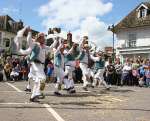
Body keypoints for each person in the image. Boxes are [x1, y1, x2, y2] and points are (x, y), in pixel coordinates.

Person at [15, 26, 57, 102]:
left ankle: (33, 97)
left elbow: (51, 47)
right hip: (35, 64)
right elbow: (29, 40)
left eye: (44, 38)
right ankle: (38, 93)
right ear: (39, 38)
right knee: (43, 78)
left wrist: (56, 40)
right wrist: (30, 32)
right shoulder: (35, 44)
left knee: (37, 81)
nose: (44, 39)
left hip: (40, 65)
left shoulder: (43, 46)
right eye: (43, 38)